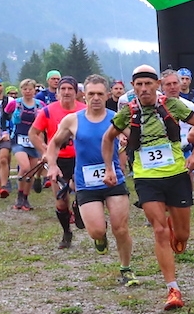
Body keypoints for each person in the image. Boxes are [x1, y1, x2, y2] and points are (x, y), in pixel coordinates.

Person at [103, 64, 194, 310]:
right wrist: (110, 169)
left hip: (176, 175)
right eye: (138, 85)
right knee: (159, 231)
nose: (143, 89)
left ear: (157, 85)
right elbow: (107, 137)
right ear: (133, 87)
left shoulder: (172, 105)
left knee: (181, 237)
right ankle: (173, 289)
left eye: (148, 84)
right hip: (146, 178)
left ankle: (177, 229)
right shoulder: (128, 111)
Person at [43, 75, 137, 285]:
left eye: (100, 94)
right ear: (83, 95)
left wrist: (126, 139)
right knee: (95, 231)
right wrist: (53, 164)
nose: (95, 98)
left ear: (107, 95)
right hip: (86, 183)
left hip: (113, 178)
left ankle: (126, 268)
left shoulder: (117, 117)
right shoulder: (73, 120)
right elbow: (54, 143)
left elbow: (134, 141)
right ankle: (100, 237)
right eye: (91, 94)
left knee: (120, 228)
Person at [31, 77, 86, 247]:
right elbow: (33, 134)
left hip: (81, 158)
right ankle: (66, 233)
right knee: (61, 200)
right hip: (58, 160)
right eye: (63, 89)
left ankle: (79, 209)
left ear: (76, 92)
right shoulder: (48, 111)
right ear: (57, 92)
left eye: (70, 88)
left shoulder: (84, 110)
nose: (67, 92)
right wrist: (45, 151)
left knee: (82, 192)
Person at [9, 79, 45, 210]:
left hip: (33, 139)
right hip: (18, 138)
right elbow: (4, 116)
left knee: (31, 172)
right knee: (24, 167)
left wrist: (42, 143)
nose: (28, 91)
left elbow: (43, 122)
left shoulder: (40, 105)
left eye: (30, 89)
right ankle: (19, 196)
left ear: (34, 90)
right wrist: (4, 131)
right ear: (21, 90)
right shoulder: (15, 103)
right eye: (25, 89)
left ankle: (25, 198)